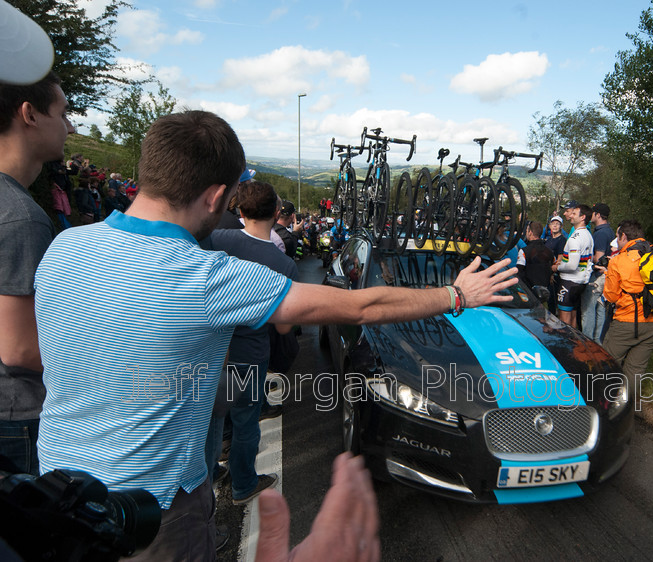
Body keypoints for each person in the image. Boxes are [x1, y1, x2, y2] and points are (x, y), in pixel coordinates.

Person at [33, 110, 517, 560]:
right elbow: (362, 306)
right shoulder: (207, 276)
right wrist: (456, 295)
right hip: (152, 510)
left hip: (54, 496)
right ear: (217, 196)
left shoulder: (65, 245)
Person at [204, 181, 298, 506]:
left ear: (240, 211)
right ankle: (243, 483)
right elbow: (284, 326)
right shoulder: (283, 264)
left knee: (213, 419)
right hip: (250, 355)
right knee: (247, 422)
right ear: (276, 212)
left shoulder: (218, 239)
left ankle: (212, 470)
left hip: (211, 352)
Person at [0, 71, 73, 475]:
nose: (70, 126)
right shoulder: (20, 218)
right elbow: (21, 349)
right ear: (29, 114)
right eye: (62, 113)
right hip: (15, 414)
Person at [601, 220, 653, 381]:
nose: (617, 241)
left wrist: (608, 274)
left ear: (623, 236)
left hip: (627, 321)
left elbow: (611, 296)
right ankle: (629, 403)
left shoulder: (618, 260)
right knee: (635, 369)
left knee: (607, 364)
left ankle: (606, 402)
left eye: (617, 237)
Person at [551, 204, 593, 329]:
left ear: (582, 217)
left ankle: (566, 346)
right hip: (581, 281)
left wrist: (557, 268)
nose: (571, 215)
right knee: (573, 315)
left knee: (564, 319)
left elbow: (572, 265)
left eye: (574, 214)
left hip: (569, 282)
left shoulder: (575, 238)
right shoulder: (588, 235)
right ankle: (575, 344)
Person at [581, 203, 615, 342]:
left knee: (589, 310)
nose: (591, 215)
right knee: (600, 309)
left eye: (593, 212)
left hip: (596, 277)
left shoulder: (600, 233)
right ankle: (599, 341)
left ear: (598, 215)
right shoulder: (609, 231)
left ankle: (588, 342)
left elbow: (598, 258)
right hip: (605, 277)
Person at [517, 221, 553, 291]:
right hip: (544, 291)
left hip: (529, 291)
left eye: (527, 231)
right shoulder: (549, 251)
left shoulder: (524, 251)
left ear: (530, 232)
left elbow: (519, 272)